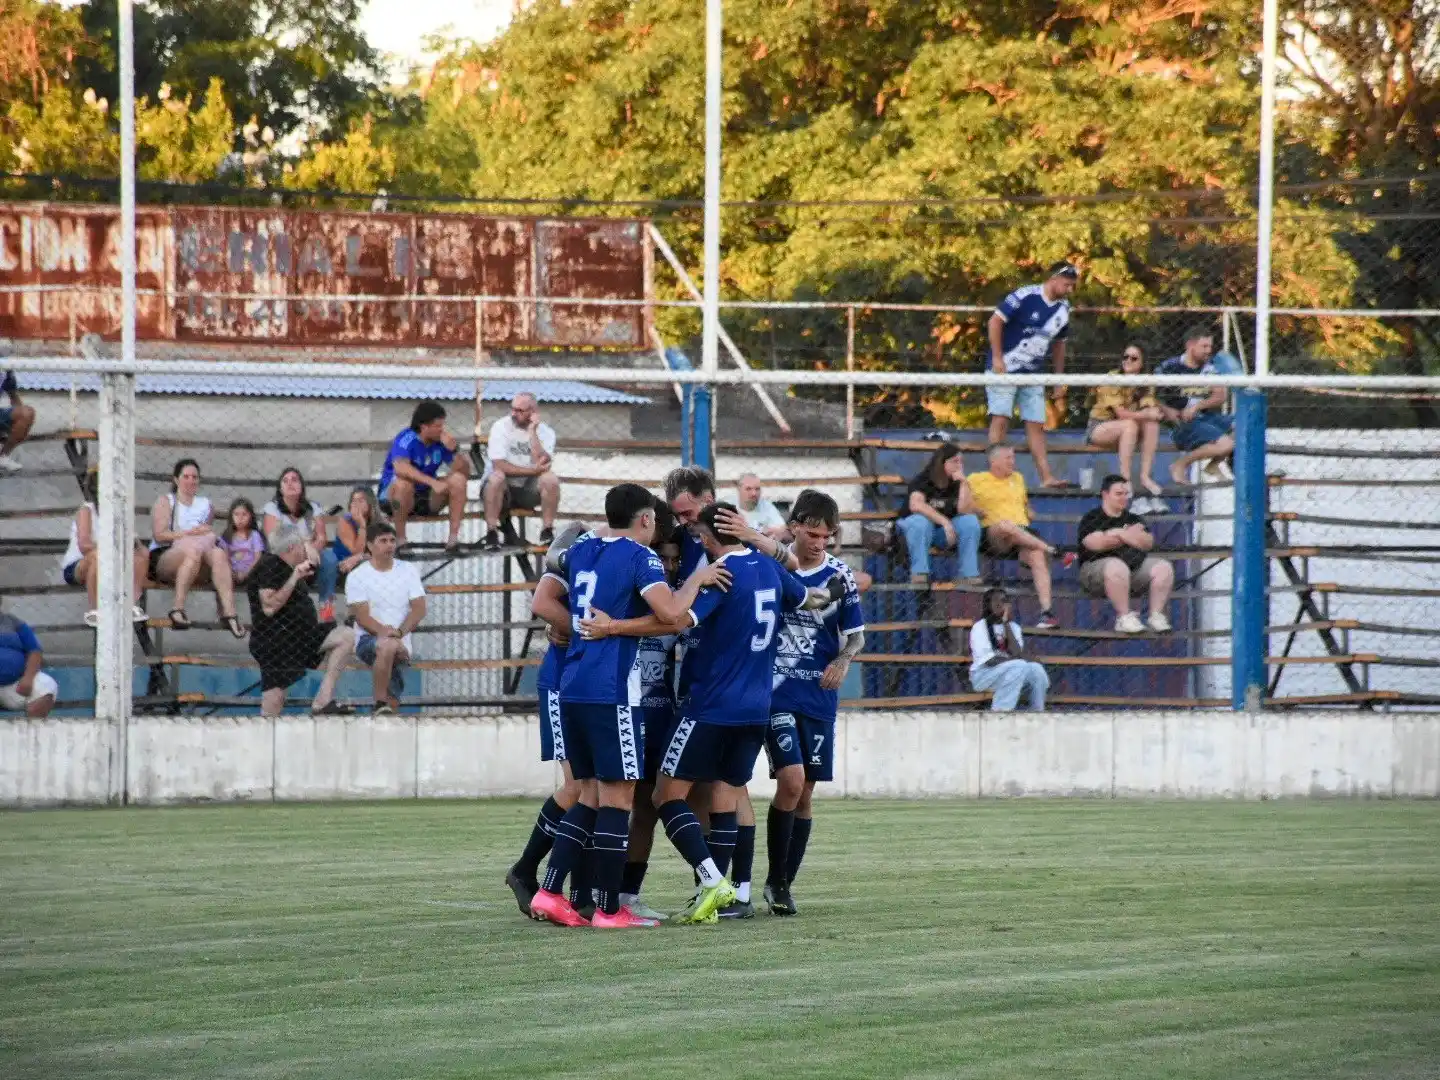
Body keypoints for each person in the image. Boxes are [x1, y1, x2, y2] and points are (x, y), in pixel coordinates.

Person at [526, 483, 724, 929]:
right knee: (619, 798)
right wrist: (697, 579)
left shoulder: (583, 549)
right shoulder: (640, 556)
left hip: (573, 685)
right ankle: (610, 910)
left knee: (589, 795)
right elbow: (671, 613)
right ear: (647, 519)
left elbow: (554, 586)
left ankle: (550, 892)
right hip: (611, 690)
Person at [763, 489, 865, 916]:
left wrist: (842, 660)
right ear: (794, 528)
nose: (820, 543)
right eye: (812, 534)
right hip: (777, 692)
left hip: (818, 696)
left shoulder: (840, 575)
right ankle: (774, 878)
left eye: (827, 536)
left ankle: (782, 884)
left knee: (804, 793)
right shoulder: (772, 565)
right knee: (791, 780)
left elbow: (856, 636)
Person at [505, 521, 592, 921]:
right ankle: (525, 870)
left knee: (593, 788)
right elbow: (542, 602)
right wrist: (576, 628)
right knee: (578, 787)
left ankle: (580, 891)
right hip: (561, 681)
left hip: (589, 684)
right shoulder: (580, 546)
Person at [245, 524, 357, 717]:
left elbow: (314, 559)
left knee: (346, 636)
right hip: (276, 643)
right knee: (274, 703)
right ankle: (264, 734)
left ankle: (322, 702)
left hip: (301, 637)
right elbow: (269, 607)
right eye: (301, 545)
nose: (304, 549)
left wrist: (304, 560)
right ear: (292, 548)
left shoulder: (289, 566)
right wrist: (295, 577)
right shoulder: (270, 564)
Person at [986, 262, 1079, 490]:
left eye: (1072, 286)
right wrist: (997, 357)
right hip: (1006, 369)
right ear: (1054, 278)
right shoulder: (1025, 295)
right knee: (1001, 418)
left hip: (1033, 374)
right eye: (1066, 284)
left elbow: (1060, 344)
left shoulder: (1064, 309)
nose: (1069, 290)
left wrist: (1058, 378)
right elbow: (995, 321)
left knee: (1036, 423)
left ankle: (1046, 477)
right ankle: (996, 476)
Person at [967, 444, 1069, 629]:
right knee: (1005, 526)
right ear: (994, 461)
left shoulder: (1018, 478)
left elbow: (1024, 504)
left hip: (1021, 535)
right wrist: (976, 509)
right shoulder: (976, 479)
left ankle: (1046, 613)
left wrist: (1028, 510)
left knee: (1037, 555)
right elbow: (964, 504)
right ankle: (1052, 550)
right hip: (994, 535)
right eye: (1008, 458)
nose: (1013, 462)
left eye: (1013, 457)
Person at [148, 459, 244, 637]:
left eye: (195, 477)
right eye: (186, 476)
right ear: (176, 479)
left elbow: (206, 534)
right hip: (168, 554)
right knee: (194, 549)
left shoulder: (206, 504)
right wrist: (189, 533)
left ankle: (230, 613)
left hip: (198, 557)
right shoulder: (166, 501)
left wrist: (201, 536)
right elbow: (160, 535)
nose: (191, 481)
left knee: (218, 554)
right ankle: (177, 609)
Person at [345, 521, 427, 714]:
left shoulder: (408, 570)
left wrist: (398, 633)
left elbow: (419, 609)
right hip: (368, 639)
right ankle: (380, 703)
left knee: (393, 700)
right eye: (383, 541)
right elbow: (362, 618)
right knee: (387, 646)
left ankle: (386, 708)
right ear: (370, 546)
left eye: (392, 540)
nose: (390, 545)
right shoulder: (357, 576)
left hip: (400, 639)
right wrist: (388, 634)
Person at [1076, 475, 1174, 634]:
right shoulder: (1092, 518)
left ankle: (1156, 616)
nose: (1124, 498)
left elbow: (1147, 542)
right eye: (1118, 494)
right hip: (1095, 573)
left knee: (1164, 567)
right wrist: (1127, 534)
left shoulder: (1134, 518)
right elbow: (1095, 544)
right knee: (1116, 566)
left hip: (1132, 571)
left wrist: (1116, 533)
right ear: (1105, 494)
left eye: (1125, 494)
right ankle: (1124, 618)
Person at [378, 400, 472, 552]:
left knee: (458, 480)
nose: (442, 430)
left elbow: (465, 472)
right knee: (403, 485)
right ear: (424, 427)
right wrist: (432, 482)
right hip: (394, 500)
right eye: (438, 426)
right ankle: (401, 542)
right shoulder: (406, 438)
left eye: (442, 425)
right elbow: (401, 468)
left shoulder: (441, 442)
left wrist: (455, 450)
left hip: (425, 499)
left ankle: (453, 541)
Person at [61, 468, 149, 627]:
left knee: (142, 556)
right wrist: (113, 549)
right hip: (79, 565)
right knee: (98, 555)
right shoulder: (86, 510)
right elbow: (84, 545)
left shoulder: (121, 512)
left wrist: (136, 547)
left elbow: (136, 544)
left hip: (112, 563)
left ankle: (130, 605)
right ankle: (95, 610)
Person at [1155, 327, 1236, 486]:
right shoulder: (1169, 367)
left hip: (1205, 419)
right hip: (1181, 424)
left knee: (1244, 425)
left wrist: (1197, 406)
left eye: (1210, 346)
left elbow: (1220, 396)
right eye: (1204, 346)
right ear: (1190, 345)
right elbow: (1149, 395)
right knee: (1226, 444)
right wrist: (1167, 409)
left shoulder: (1210, 367)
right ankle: (1181, 464)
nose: (1208, 350)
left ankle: (1213, 465)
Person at [1087, 345, 1166, 506]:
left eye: (1134, 358)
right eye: (1125, 357)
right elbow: (1121, 414)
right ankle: (1125, 480)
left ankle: (1145, 477)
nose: (1128, 360)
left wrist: (1153, 413)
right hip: (1101, 427)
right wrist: (1146, 414)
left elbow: (1147, 407)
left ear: (1142, 363)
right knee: (1129, 424)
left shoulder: (1146, 380)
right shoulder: (1112, 378)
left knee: (1152, 424)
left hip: (1130, 431)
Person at [481, 392, 560, 550]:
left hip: (526, 491)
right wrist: (532, 471)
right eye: (513, 409)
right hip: (501, 490)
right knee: (497, 477)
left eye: (520, 411)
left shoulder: (546, 432)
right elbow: (499, 465)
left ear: (533, 412)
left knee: (550, 479)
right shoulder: (501, 427)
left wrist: (532, 432)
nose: (514, 414)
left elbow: (542, 463)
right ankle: (491, 533)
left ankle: (547, 531)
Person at [896, 442, 982, 588]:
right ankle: (919, 573)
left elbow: (964, 510)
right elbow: (915, 505)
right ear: (942, 462)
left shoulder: (957, 483)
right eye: (955, 461)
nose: (959, 466)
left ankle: (968, 574)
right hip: (915, 532)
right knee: (920, 521)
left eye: (961, 462)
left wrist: (964, 483)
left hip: (942, 534)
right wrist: (945, 522)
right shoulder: (924, 479)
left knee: (970, 521)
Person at [262, 468, 338, 620]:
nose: (290, 483)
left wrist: (312, 549)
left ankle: (327, 614)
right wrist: (306, 544)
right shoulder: (272, 508)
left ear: (302, 486)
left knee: (329, 559)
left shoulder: (313, 507)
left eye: (294, 479)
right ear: (280, 489)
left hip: (310, 559)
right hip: (282, 558)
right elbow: (274, 540)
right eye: (285, 481)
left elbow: (321, 537)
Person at [968, 588, 1049, 711]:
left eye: (1004, 601)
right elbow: (990, 661)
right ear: (987, 605)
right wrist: (1020, 659)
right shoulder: (979, 627)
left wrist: (1005, 622)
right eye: (995, 601)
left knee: (1036, 669)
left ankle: (1037, 712)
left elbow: (1016, 652)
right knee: (1019, 665)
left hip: (1011, 672)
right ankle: (1000, 712)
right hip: (984, 675)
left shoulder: (1014, 627)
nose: (1000, 604)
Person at [0, 605, 56, 716]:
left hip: (15, 686)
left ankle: (34, 727)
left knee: (47, 685)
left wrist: (28, 678)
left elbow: (35, 651)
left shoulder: (14, 622)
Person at [330, 487, 382, 582]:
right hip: (344, 566)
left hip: (367, 562)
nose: (356, 505)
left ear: (370, 503)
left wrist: (362, 556)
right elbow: (356, 552)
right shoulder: (345, 521)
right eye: (354, 501)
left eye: (361, 501)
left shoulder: (380, 521)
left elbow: (384, 550)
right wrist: (362, 525)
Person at [219, 498, 266, 587]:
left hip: (251, 571)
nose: (240, 518)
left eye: (244, 514)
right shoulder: (227, 535)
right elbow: (225, 557)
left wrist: (247, 573)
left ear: (250, 516)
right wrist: (232, 573)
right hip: (232, 572)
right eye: (236, 514)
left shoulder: (254, 535)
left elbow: (258, 557)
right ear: (231, 516)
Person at [0, 367, 35, 474]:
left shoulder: (4, 369)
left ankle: (2, 457)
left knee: (27, 413)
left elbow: (14, 397)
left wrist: (20, 426)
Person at [736, 473, 788, 539]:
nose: (754, 493)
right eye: (748, 489)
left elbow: (782, 529)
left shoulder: (766, 506)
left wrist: (773, 531)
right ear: (739, 489)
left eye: (757, 489)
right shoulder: (730, 504)